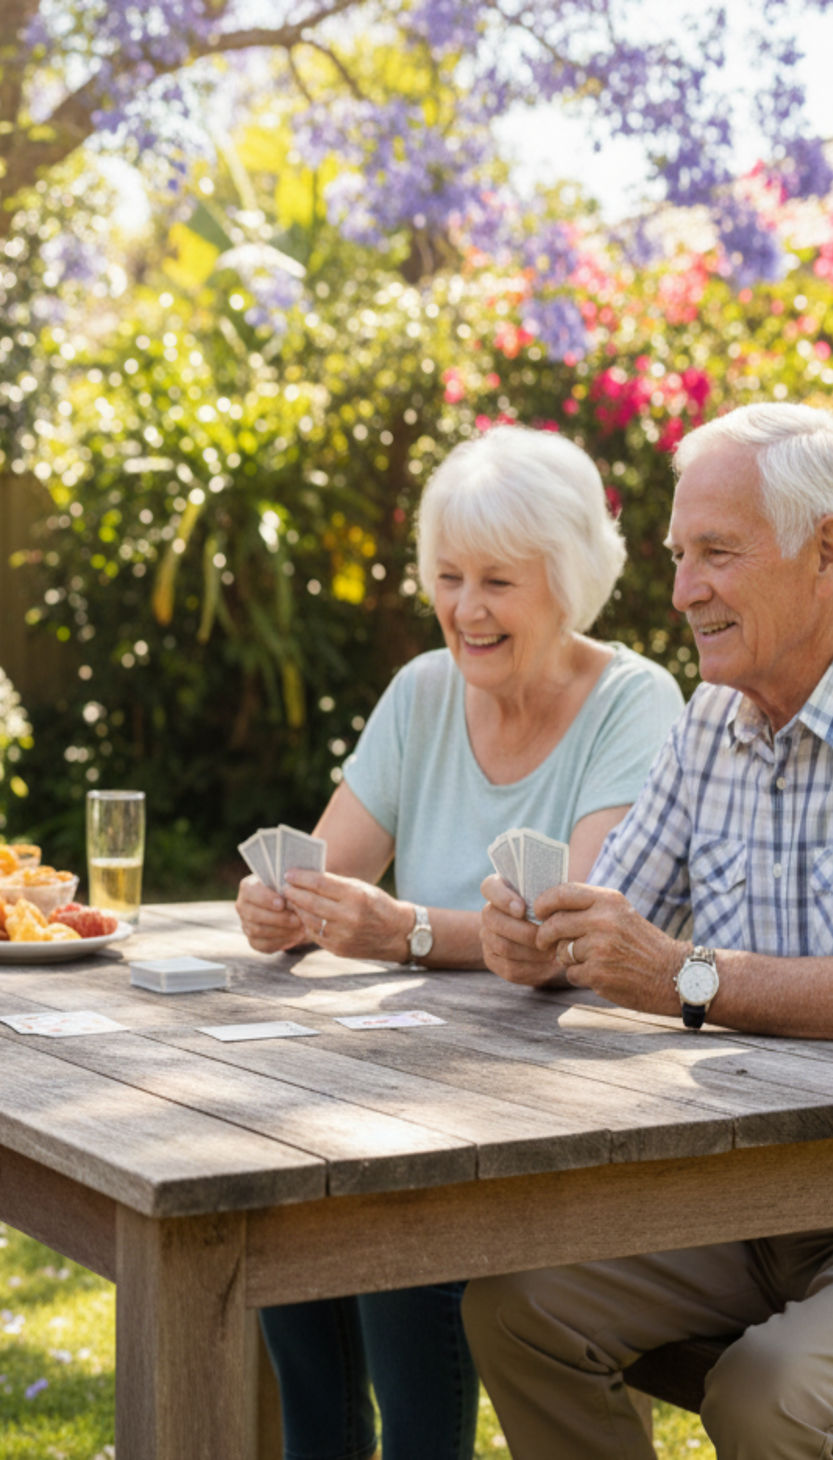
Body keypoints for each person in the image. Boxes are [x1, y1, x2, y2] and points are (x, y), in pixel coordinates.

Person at [465, 402, 833, 1459]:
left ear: (825, 551)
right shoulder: (712, 721)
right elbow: (618, 922)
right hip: (754, 1193)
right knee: (518, 1308)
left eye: (714, 552)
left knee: (760, 1394)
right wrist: (545, 939)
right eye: (675, 555)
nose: (680, 588)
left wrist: (689, 976)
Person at [235, 427, 686, 1460]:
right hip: (420, 1075)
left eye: (496, 581)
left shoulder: (634, 702)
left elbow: (576, 933)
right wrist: (278, 905)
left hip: (562, 1100)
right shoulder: (423, 691)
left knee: (394, 1230)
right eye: (446, 577)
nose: (465, 610)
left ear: (566, 583)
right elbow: (323, 864)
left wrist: (400, 930)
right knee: (280, 1207)